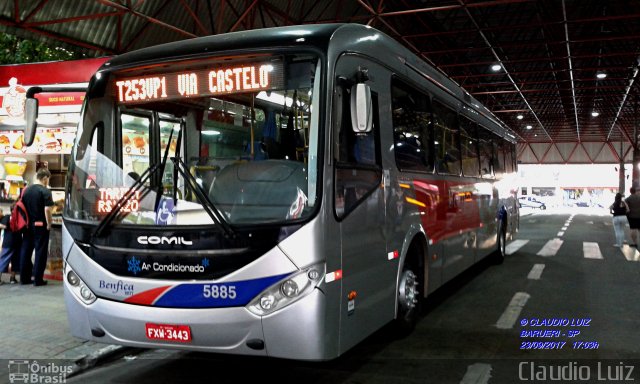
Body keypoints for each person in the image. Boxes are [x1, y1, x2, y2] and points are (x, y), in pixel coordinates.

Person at [19, 168, 54, 286]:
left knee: (26, 250)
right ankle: (38, 279)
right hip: (40, 225)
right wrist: (49, 223)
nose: (48, 182)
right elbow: (47, 209)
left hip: (27, 225)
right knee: (40, 252)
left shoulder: (26, 190)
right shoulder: (45, 191)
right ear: (45, 179)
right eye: (48, 179)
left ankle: (24, 278)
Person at [0, 205, 21, 283]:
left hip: (8, 242)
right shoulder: (20, 217)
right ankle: (12, 278)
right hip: (18, 241)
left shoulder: (7, 217)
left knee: (3, 260)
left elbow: (3, 226)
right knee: (15, 260)